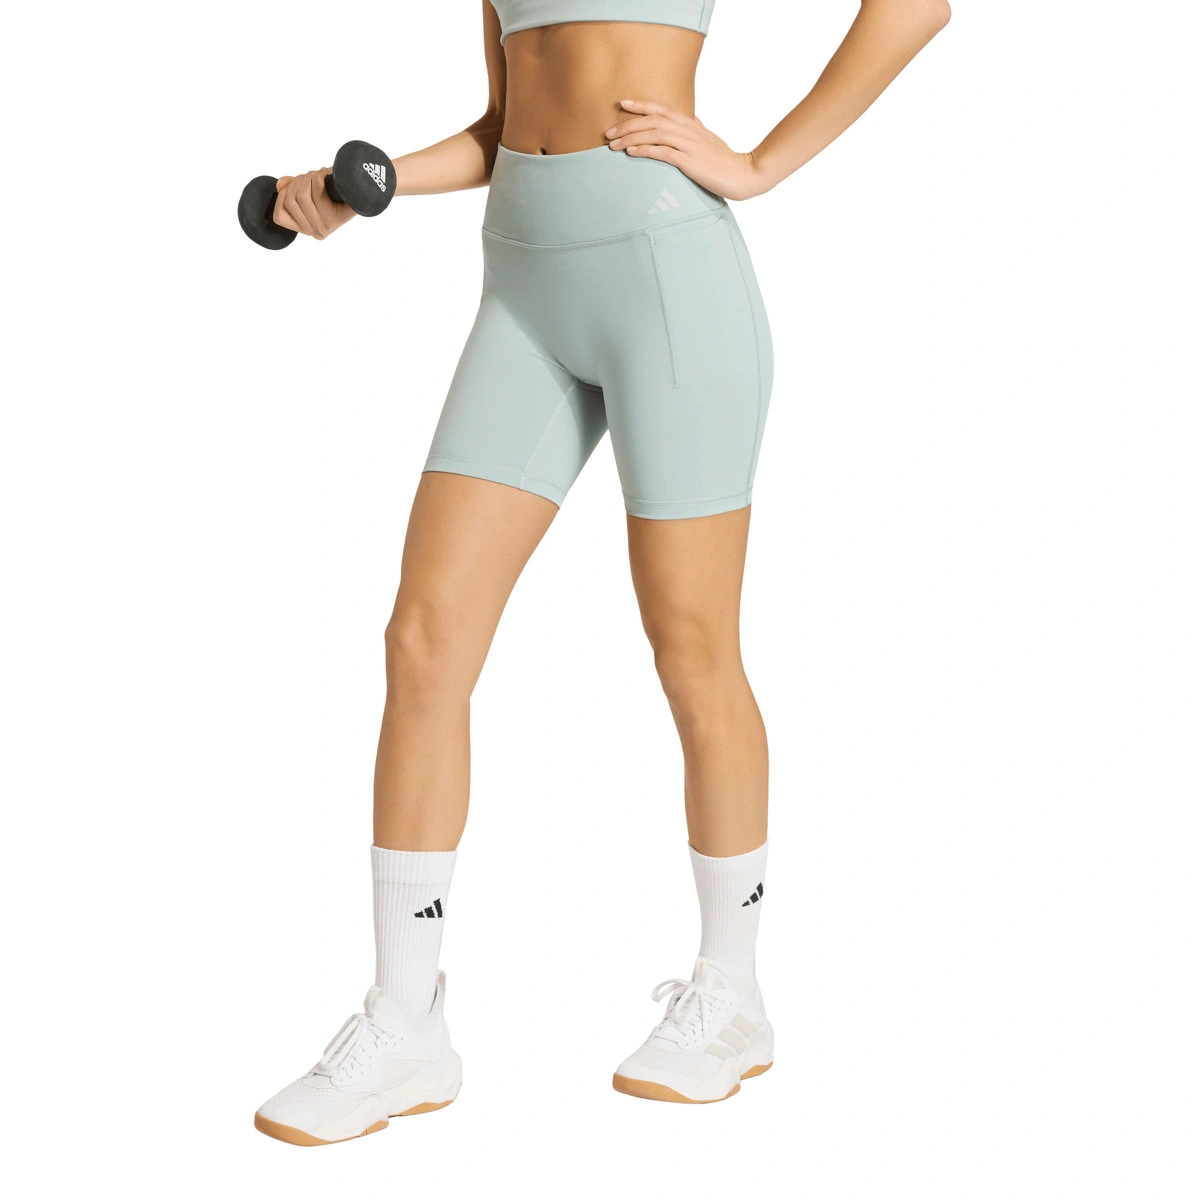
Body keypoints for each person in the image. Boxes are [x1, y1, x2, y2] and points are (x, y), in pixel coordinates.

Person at [253, 0, 951, 1146]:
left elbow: (916, 6)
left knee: (692, 650)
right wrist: (357, 187)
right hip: (523, 296)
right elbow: (508, 127)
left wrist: (760, 165)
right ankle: (406, 1024)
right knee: (423, 642)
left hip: (667, 280)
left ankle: (732, 997)